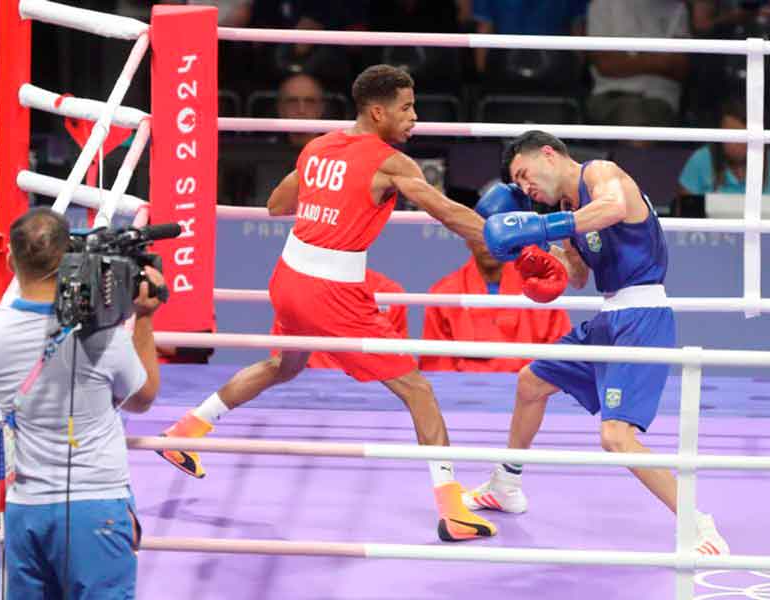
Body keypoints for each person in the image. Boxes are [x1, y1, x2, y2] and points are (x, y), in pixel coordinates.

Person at [157, 64, 538, 542]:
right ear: (378, 112)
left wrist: (335, 200)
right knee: (417, 390)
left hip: (288, 277)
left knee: (283, 365)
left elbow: (277, 205)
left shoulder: (318, 147)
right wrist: (514, 240)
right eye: (406, 108)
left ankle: (185, 431)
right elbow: (445, 212)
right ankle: (453, 511)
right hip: (330, 294)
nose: (414, 117)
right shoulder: (391, 162)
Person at [461, 130, 730, 556]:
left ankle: (698, 523)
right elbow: (581, 276)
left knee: (616, 437)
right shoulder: (568, 209)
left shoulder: (599, 174)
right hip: (609, 317)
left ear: (548, 154)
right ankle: (505, 484)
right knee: (531, 382)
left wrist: (544, 225)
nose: (526, 188)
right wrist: (538, 261)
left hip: (642, 317)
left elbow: (613, 208)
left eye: (525, 174)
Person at [0, 207, 164, 598]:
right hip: (95, 506)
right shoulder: (102, 336)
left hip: (27, 510)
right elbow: (143, 398)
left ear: (9, 259)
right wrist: (142, 316)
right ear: (70, 259)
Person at [420, 185, 572, 373]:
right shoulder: (443, 294)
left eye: (496, 238)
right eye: (482, 236)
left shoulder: (541, 291)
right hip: (463, 397)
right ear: (467, 239)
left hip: (526, 393)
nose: (488, 246)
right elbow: (437, 368)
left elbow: (559, 362)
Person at [677, 97, 770, 220]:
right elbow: (683, 217)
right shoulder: (701, 160)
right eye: (728, 135)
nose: (732, 144)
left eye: (740, 137)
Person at [270, 267, 408, 370]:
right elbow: (282, 363)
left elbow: (396, 363)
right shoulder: (298, 290)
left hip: (370, 389)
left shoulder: (389, 292)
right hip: (308, 389)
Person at [586, 0, 690, 129]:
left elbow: (681, 68)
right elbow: (605, 64)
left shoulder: (677, 7)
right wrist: (660, 59)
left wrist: (632, 58)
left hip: (663, 101)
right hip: (612, 97)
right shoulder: (602, 4)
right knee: (634, 118)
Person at [275, 72, 327, 150]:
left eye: (310, 102)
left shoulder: (338, 152)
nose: (301, 110)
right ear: (280, 109)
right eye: (292, 102)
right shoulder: (263, 151)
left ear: (321, 108)